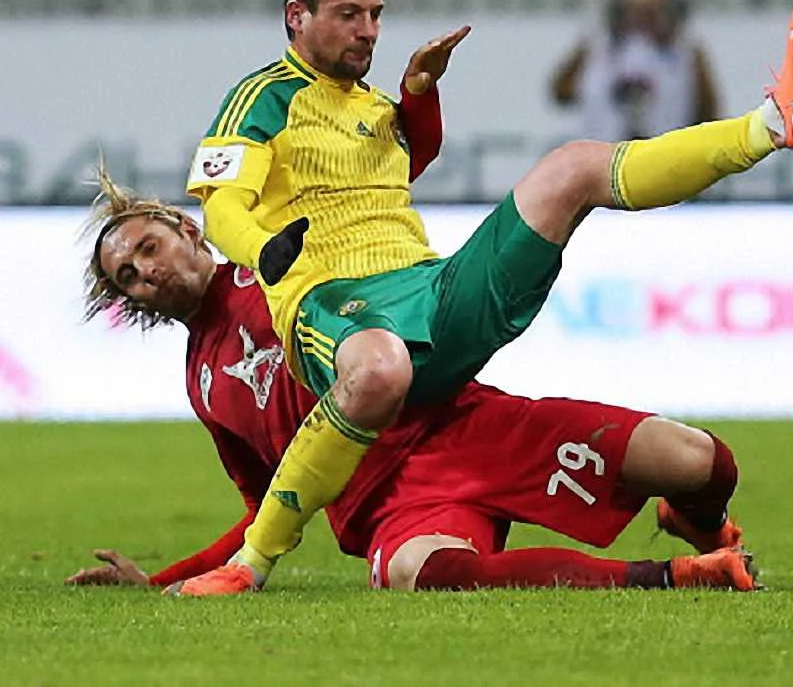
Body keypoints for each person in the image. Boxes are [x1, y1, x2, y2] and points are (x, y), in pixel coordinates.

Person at [182, 0, 793, 595]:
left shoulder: (371, 106)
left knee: (573, 167)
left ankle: (773, 123)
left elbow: (402, 166)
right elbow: (222, 209)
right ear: (296, 15)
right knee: (381, 370)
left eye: (376, 13)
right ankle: (252, 564)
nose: (369, 30)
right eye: (349, 14)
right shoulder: (262, 98)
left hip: (427, 290)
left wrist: (417, 93)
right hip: (334, 304)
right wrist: (260, 250)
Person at [70, 175, 755, 594]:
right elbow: (266, 508)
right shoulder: (204, 385)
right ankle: (680, 577)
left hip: (466, 426)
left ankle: (698, 522)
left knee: (701, 459)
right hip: (388, 508)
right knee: (421, 575)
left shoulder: (286, 266)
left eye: (148, 247)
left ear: (187, 229)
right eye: (128, 275)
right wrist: (164, 578)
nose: (146, 272)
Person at [549, 0, 720, 141]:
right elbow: (560, 92)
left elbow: (708, 115)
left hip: (663, 161)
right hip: (603, 159)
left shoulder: (686, 48)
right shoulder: (598, 41)